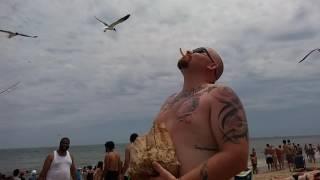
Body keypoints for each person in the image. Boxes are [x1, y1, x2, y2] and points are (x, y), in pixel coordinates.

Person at [148, 47, 249, 180]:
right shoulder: (168, 101)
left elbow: (237, 157)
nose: (190, 51)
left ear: (212, 65)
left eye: (199, 50)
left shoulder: (220, 94)